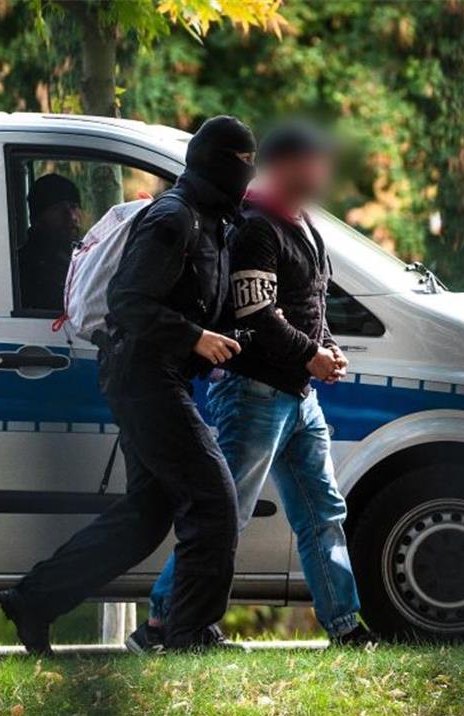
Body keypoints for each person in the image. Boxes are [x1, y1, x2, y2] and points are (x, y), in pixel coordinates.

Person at [0, 116, 258, 653]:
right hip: (144, 377)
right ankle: (189, 632)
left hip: (157, 377)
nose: (249, 172)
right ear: (216, 162)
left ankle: (33, 601)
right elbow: (128, 302)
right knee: (213, 500)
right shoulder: (173, 218)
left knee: (145, 518)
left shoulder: (211, 221)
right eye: (241, 160)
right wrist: (194, 338)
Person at [127, 121, 378, 653]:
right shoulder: (257, 224)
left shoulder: (304, 223)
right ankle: (160, 622)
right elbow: (255, 311)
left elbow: (312, 302)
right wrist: (310, 354)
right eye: (316, 162)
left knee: (323, 510)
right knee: (224, 514)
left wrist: (326, 347)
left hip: (298, 396)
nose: (324, 173)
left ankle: (345, 625)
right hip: (253, 392)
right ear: (289, 165)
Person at [17, 173, 82, 312]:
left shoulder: (79, 254)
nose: (71, 217)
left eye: (73, 207)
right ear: (37, 218)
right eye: (58, 209)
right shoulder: (27, 267)